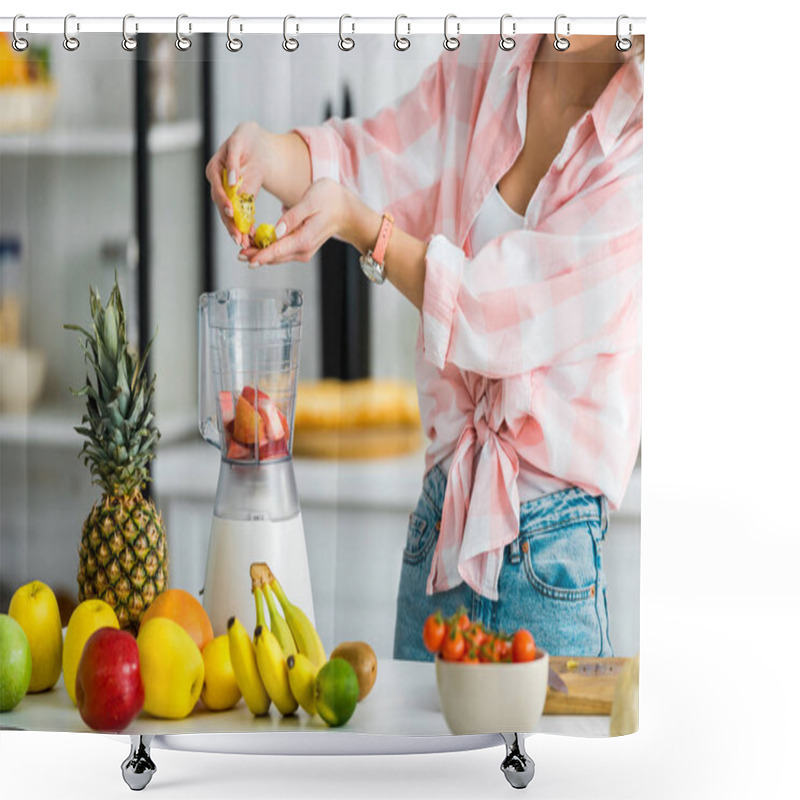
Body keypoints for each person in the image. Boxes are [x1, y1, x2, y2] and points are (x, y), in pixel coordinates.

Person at [206, 33, 643, 661]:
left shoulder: (644, 138)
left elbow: (499, 313)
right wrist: (266, 156)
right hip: (440, 523)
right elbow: (380, 157)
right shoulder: (491, 54)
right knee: (415, 763)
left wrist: (364, 229)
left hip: (554, 553)